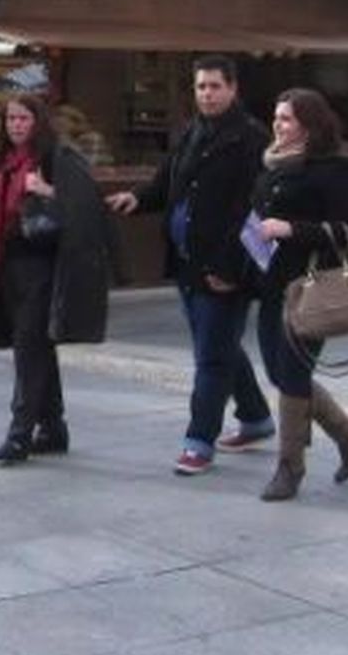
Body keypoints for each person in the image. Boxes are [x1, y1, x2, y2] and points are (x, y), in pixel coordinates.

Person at [106, 54, 273, 476]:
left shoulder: (251, 139)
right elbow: (168, 183)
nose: (208, 94)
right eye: (201, 87)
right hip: (186, 264)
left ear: (233, 89)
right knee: (218, 346)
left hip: (224, 269)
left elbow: (255, 210)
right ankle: (255, 418)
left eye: (215, 86)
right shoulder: (191, 131)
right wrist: (138, 198)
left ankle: (199, 442)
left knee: (211, 358)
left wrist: (232, 268)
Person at [0, 95, 114, 463]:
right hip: (9, 265)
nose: (16, 125)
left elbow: (87, 204)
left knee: (29, 349)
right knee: (35, 348)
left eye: (23, 118)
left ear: (38, 121)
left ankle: (19, 435)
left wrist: (47, 191)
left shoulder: (56, 157)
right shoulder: (7, 161)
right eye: (11, 118)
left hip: (43, 267)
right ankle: (53, 428)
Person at [249, 88, 348, 501]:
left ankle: (290, 468)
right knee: (281, 372)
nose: (278, 125)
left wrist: (290, 229)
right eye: (276, 117)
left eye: (286, 119)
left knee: (292, 374)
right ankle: (346, 433)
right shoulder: (272, 165)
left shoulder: (337, 168)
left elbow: (346, 229)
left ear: (310, 124)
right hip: (271, 286)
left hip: (311, 288)